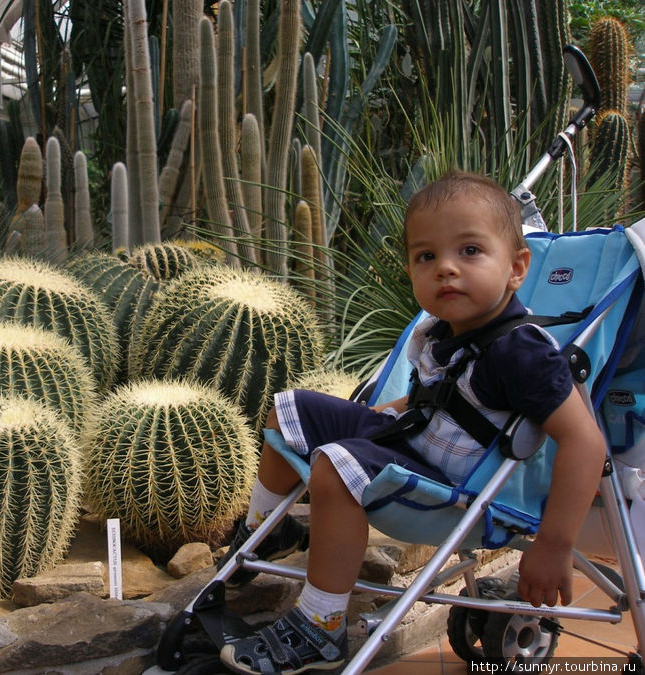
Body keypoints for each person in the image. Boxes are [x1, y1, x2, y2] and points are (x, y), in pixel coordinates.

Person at [217, 170, 607, 674]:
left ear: (516, 269)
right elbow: (435, 396)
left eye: (469, 251)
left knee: (335, 466)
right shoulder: (443, 330)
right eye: (427, 257)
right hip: (412, 440)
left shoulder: (521, 351)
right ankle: (265, 528)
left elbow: (584, 442)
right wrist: (389, 412)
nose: (446, 268)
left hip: (453, 486)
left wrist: (556, 544)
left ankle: (320, 628)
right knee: (289, 407)